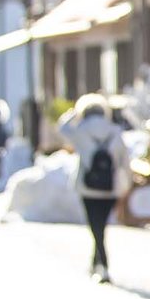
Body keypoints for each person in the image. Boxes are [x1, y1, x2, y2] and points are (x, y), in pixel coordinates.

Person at [57, 94, 130, 283]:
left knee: (95, 227)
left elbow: (62, 128)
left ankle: (102, 264)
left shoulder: (81, 129)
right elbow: (124, 161)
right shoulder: (114, 130)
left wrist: (73, 114)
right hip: (109, 187)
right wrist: (126, 183)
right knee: (101, 226)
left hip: (88, 187)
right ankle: (96, 262)